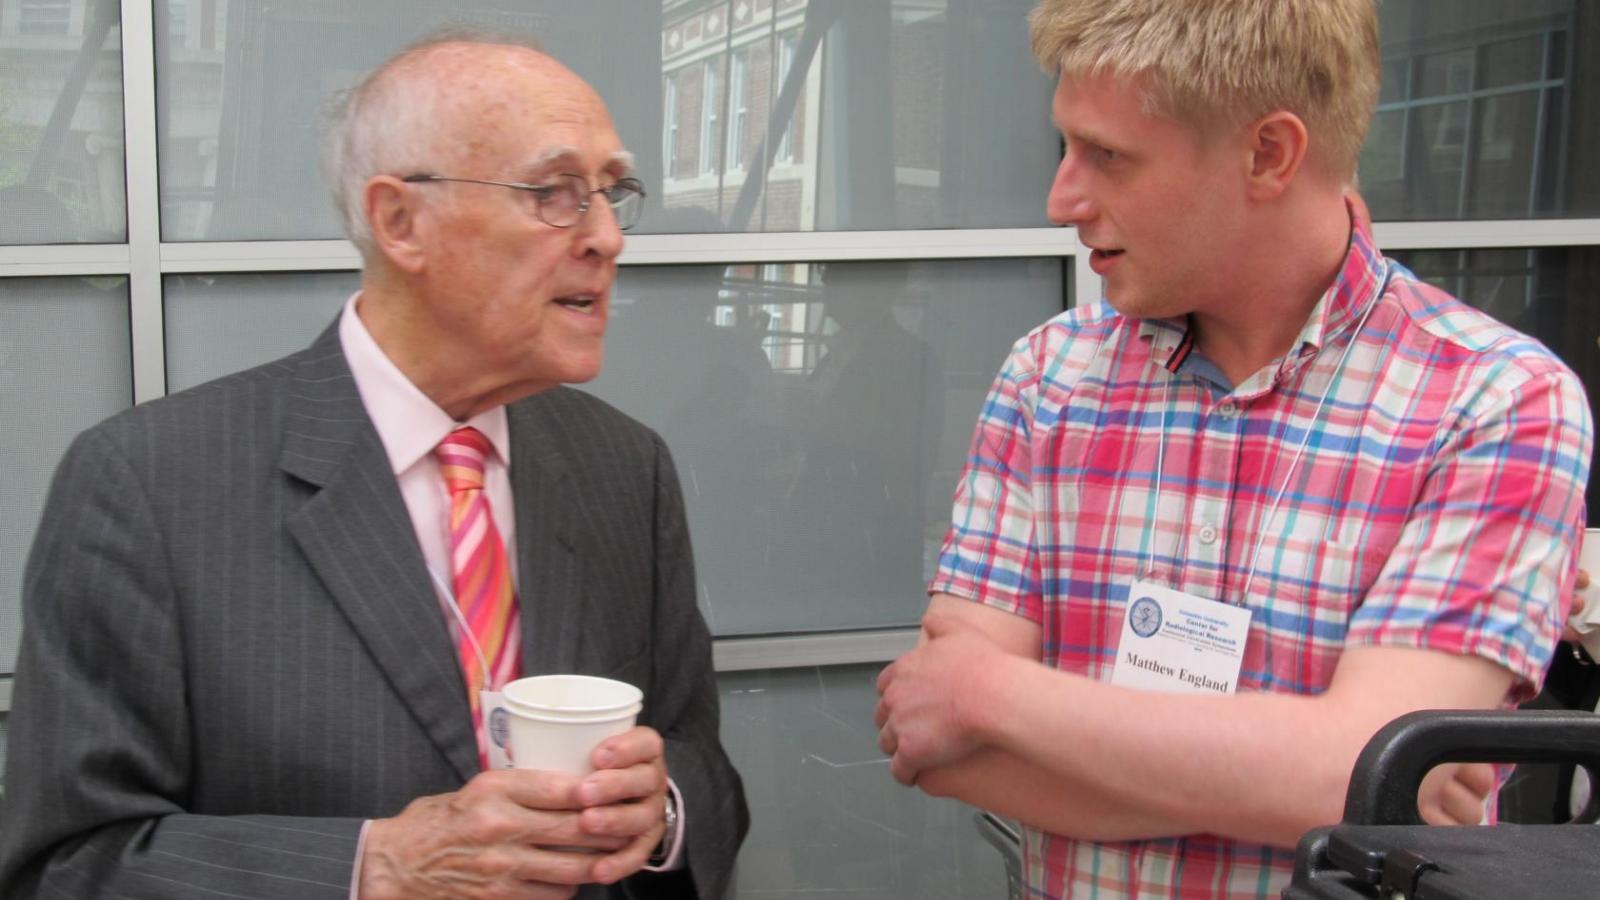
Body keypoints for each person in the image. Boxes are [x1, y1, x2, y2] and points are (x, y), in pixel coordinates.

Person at [0, 33, 747, 900]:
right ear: (400, 222)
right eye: (556, 194)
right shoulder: (149, 484)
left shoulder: (623, 466)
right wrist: (374, 868)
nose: (609, 237)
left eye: (614, 193)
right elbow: (66, 864)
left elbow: (705, 774)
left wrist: (661, 814)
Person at [874, 1, 1592, 898]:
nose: (1063, 197)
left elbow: (1372, 779)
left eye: (1108, 155)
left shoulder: (1493, 401)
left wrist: (995, 696)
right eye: (1066, 145)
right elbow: (939, 748)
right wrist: (1307, 782)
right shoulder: (1049, 378)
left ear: (1269, 154)